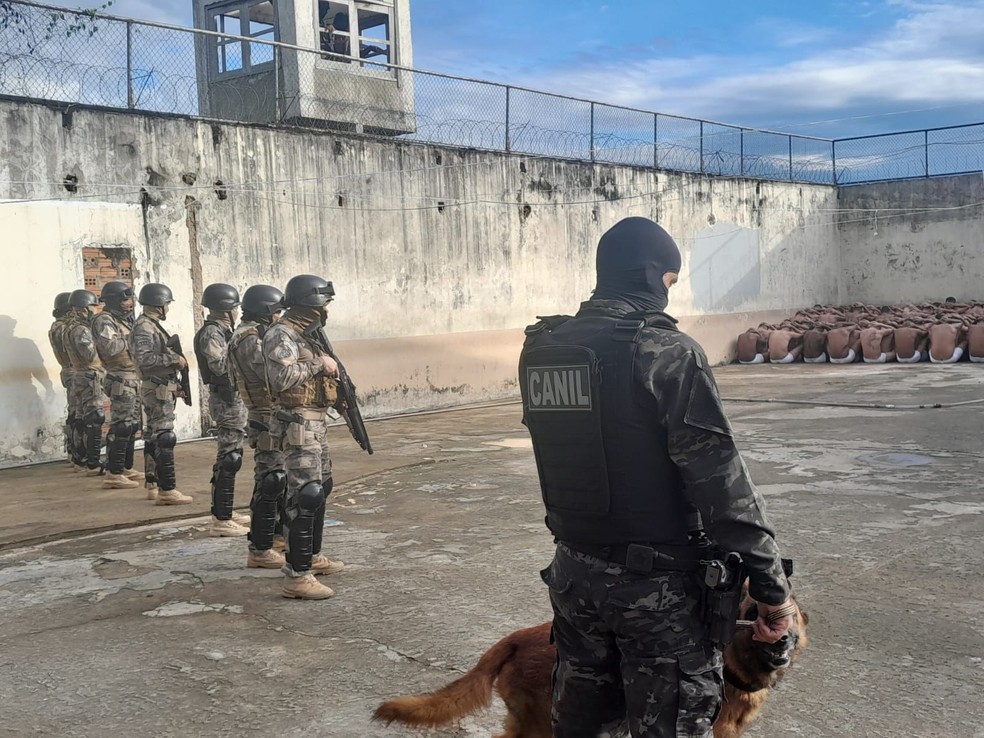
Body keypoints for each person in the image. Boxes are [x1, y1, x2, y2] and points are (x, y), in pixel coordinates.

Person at [518, 217, 793, 738]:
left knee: (582, 724)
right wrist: (772, 591)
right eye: (668, 282)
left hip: (573, 576)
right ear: (650, 275)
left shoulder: (542, 347)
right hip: (658, 592)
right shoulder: (665, 350)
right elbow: (722, 484)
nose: (668, 295)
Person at [262, 274, 346, 600]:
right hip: (297, 425)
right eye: (324, 302)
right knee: (305, 495)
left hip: (315, 422)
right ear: (311, 304)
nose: (327, 309)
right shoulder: (280, 335)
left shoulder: (305, 335)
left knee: (322, 488)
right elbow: (281, 377)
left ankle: (311, 555)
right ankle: (297, 576)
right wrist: (318, 364)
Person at [228, 284, 289, 569]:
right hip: (264, 416)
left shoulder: (254, 334)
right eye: (277, 312)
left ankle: (275, 538)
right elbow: (271, 375)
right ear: (266, 312)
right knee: (270, 479)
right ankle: (260, 548)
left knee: (278, 479)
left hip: (269, 413)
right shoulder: (250, 339)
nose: (279, 318)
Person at [194, 284, 250, 537]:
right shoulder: (212, 333)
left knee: (233, 455)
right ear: (227, 309)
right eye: (235, 307)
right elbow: (219, 365)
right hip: (226, 401)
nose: (238, 312)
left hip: (234, 400)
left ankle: (225, 510)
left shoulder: (225, 331)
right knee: (229, 458)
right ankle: (221, 518)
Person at [130, 283, 193, 505]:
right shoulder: (145, 327)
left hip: (160, 387)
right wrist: (175, 360)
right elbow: (145, 359)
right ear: (159, 304)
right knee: (165, 436)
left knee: (153, 435)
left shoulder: (150, 325)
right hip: (156, 389)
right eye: (167, 303)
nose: (168, 307)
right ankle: (167, 490)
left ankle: (153, 484)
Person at [92, 282, 144, 489]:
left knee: (132, 425)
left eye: (128, 299)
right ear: (113, 300)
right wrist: (134, 338)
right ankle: (113, 473)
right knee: (121, 425)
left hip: (133, 376)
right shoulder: (104, 320)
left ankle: (125, 467)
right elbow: (111, 347)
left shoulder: (122, 320)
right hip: (120, 377)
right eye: (123, 299)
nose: (128, 304)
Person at [63, 289, 107, 476]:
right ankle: (93, 462)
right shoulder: (81, 329)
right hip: (89, 376)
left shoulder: (68, 327)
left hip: (79, 375)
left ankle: (80, 459)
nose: (94, 310)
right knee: (94, 418)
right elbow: (89, 354)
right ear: (83, 308)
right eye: (91, 306)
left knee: (80, 418)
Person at [48, 292, 75, 465]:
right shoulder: (64, 328)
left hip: (68, 371)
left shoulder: (56, 326)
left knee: (76, 413)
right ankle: (78, 453)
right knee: (81, 415)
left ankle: (74, 452)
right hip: (74, 370)